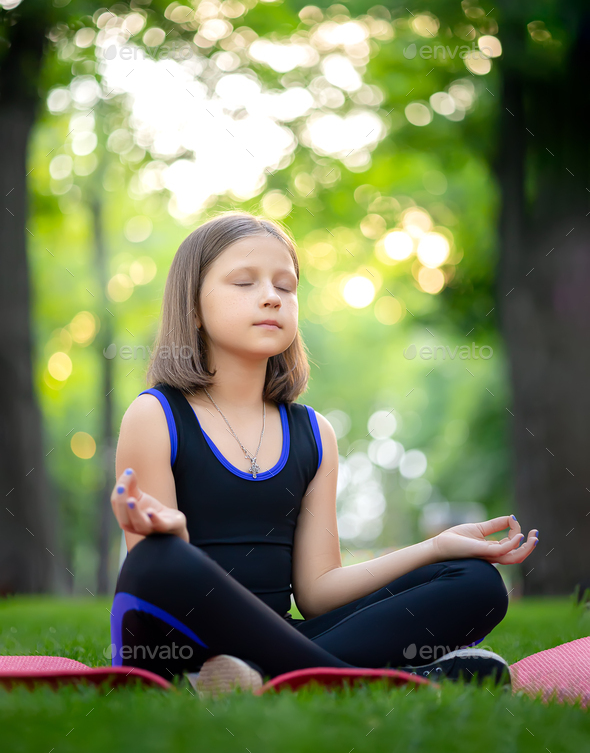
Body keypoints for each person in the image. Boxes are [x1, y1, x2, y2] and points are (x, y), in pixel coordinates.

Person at [110, 211, 538, 694]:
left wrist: (435, 548)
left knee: (476, 582)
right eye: (244, 283)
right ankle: (367, 679)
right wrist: (175, 536)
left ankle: (265, 678)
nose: (271, 296)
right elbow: (162, 585)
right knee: (159, 560)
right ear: (192, 307)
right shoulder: (155, 415)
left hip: (279, 639)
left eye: (285, 287)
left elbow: (317, 594)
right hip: (177, 636)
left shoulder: (313, 433)